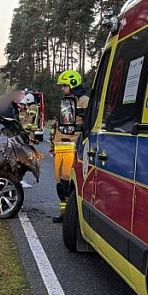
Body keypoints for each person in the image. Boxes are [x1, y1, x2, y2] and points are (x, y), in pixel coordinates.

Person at [50, 69, 89, 223]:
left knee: (68, 182)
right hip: (61, 145)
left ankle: (72, 215)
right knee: (60, 183)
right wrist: (53, 145)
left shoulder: (83, 100)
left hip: (72, 144)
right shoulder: (67, 101)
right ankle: (63, 212)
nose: (62, 88)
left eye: (64, 85)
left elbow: (87, 123)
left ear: (72, 84)